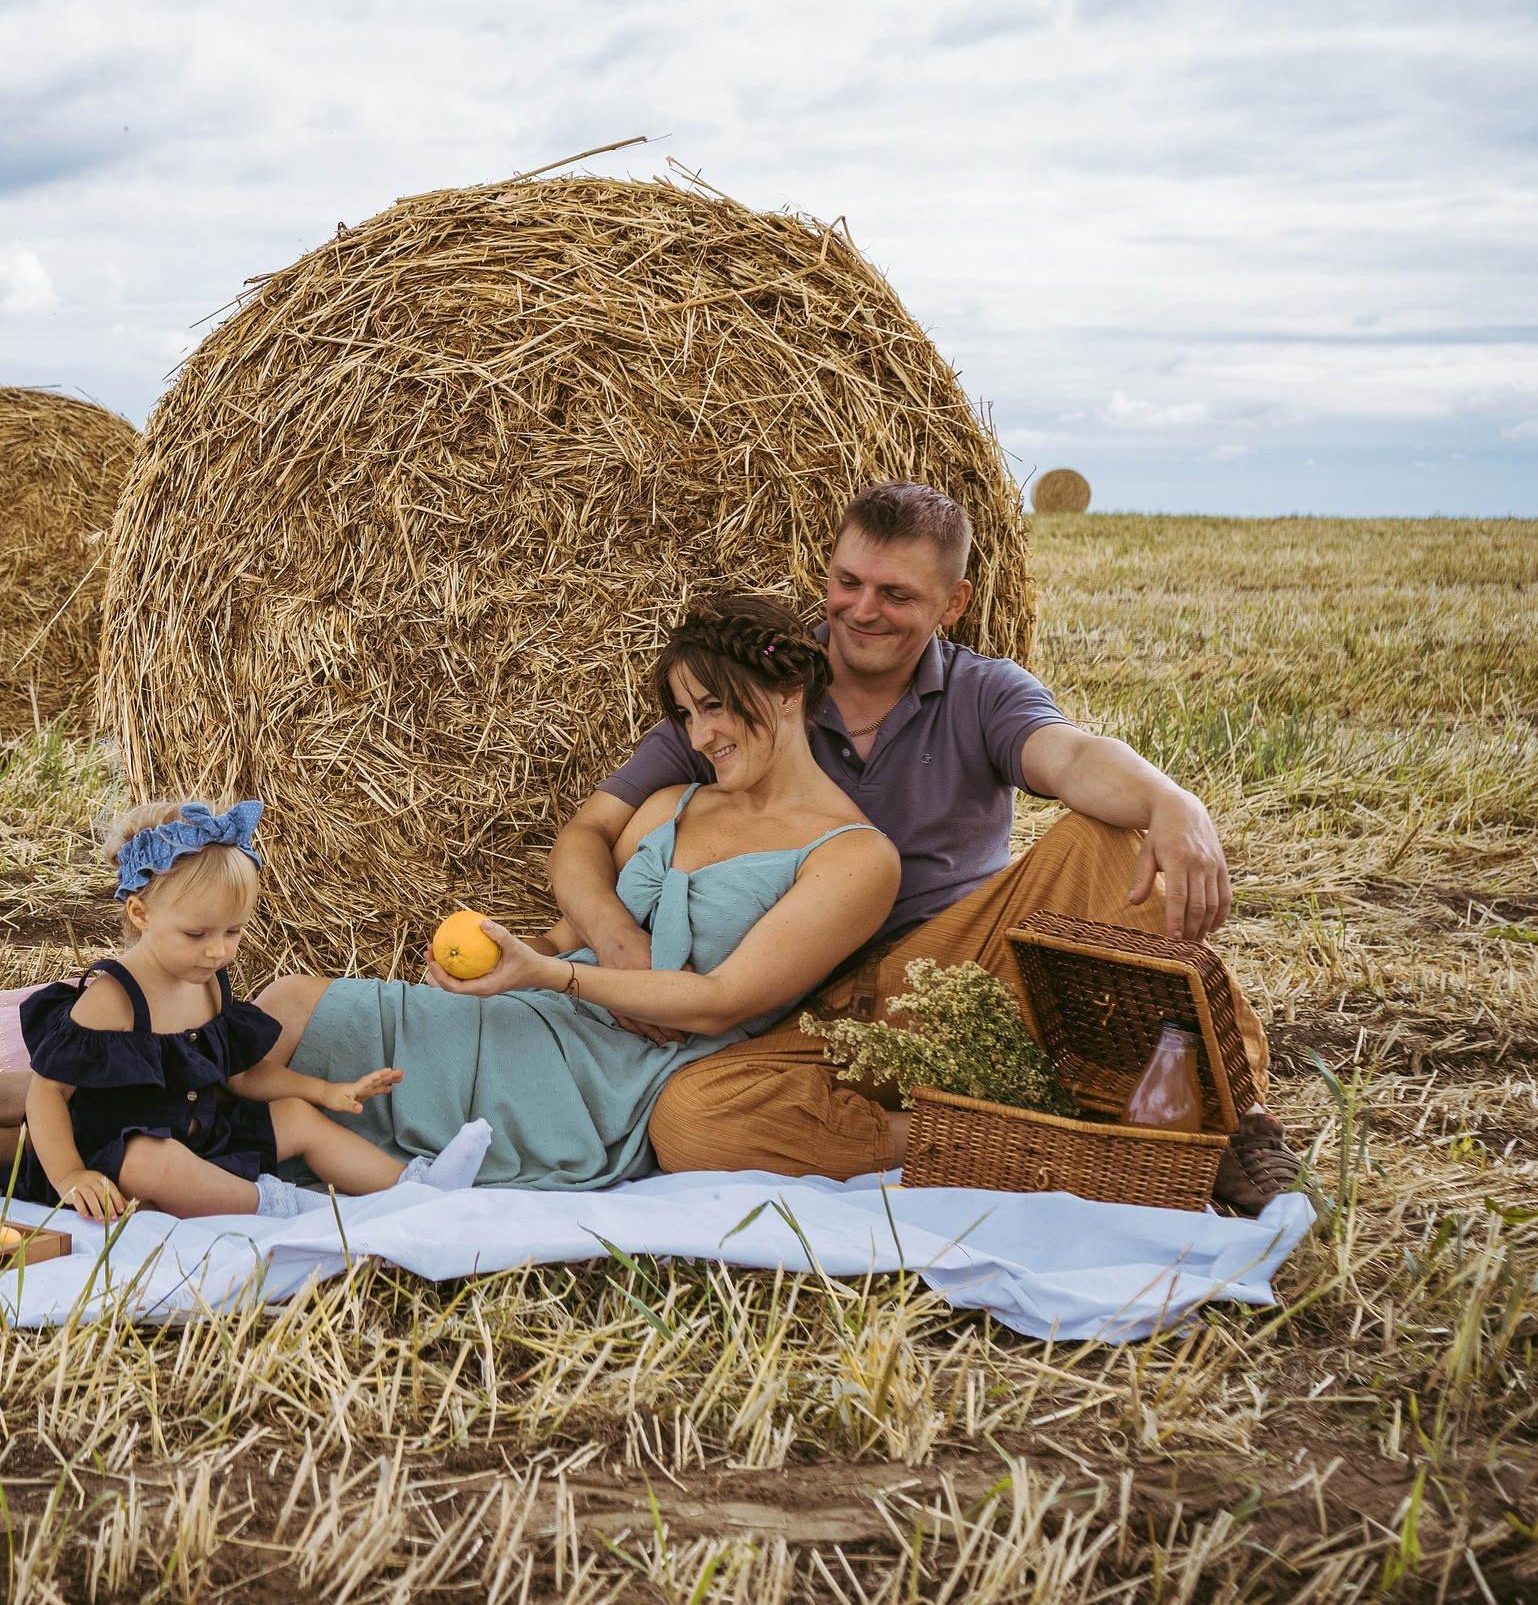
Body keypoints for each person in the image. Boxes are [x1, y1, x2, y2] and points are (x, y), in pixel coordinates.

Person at [546, 481, 1285, 1199]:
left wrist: (1171, 800)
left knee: (1107, 840)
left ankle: (1236, 1115)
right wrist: (614, 938)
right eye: (847, 581)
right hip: (796, 1008)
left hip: (959, 975)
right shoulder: (753, 685)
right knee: (691, 1121)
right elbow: (591, 829)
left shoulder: (983, 690)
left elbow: (1073, 757)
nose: (861, 611)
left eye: (896, 594)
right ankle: (1017, 1136)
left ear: (954, 601)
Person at [237, 595, 902, 1189]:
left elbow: (718, 1004)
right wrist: (505, 958)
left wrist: (550, 975)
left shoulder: (854, 856)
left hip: (623, 1075)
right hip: (547, 1007)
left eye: (716, 705)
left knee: (292, 1046)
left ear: (788, 690)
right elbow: (564, 938)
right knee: (289, 1004)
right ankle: (156, 1143)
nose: (700, 736)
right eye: (687, 713)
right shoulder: (673, 803)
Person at [1, 797, 491, 1220]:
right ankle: (284, 1206)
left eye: (233, 932)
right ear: (140, 913)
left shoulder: (208, 980)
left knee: (295, 1116)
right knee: (154, 1160)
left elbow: (241, 1077)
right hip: (117, 1160)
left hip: (205, 1141)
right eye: (197, 935)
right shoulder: (113, 998)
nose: (219, 951)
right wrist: (69, 1174)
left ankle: (418, 1187)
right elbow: (46, 1094)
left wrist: (326, 1091)